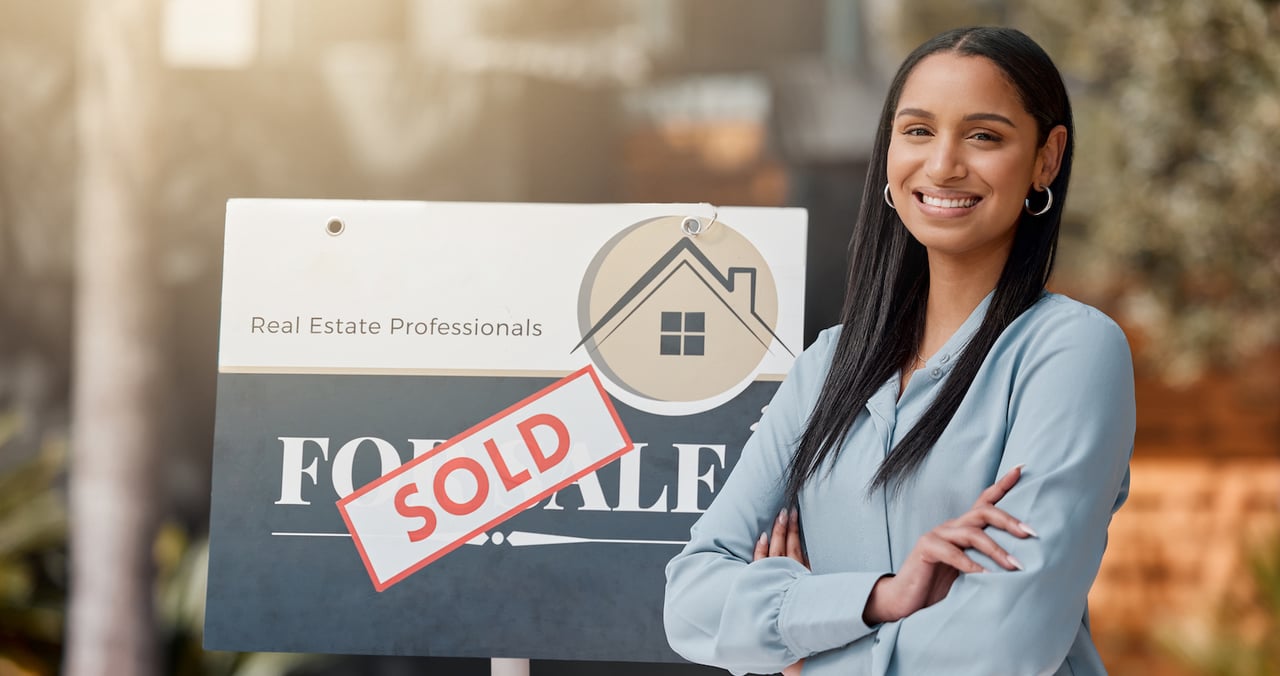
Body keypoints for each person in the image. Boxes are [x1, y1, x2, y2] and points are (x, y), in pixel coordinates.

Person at [663, 26, 1135, 676]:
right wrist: (880, 598)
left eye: (984, 136)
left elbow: (1003, 646)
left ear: (1046, 159)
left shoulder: (1072, 354)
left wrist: (799, 638)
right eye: (917, 131)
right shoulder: (828, 366)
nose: (942, 164)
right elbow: (690, 602)